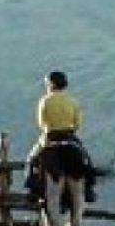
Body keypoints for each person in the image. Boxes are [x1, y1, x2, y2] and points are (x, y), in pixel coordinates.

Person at [25, 70, 96, 203]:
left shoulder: (44, 100)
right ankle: (89, 189)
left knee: (30, 160)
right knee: (86, 159)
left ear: (51, 84)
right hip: (69, 135)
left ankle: (32, 189)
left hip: (50, 136)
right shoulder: (73, 101)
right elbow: (77, 123)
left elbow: (41, 122)